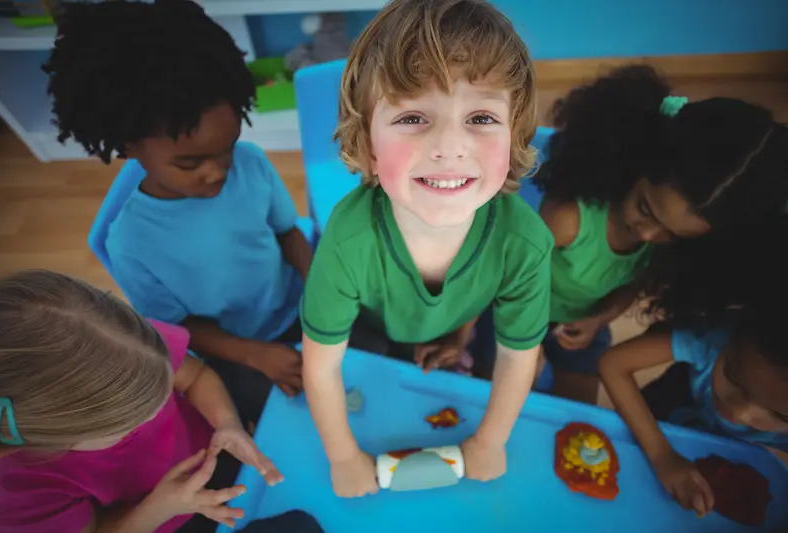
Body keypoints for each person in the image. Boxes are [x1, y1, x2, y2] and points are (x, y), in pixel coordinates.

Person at [300, 0, 552, 498]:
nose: (449, 146)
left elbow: (519, 357)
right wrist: (344, 457)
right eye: (414, 117)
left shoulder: (525, 242)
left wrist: (490, 442)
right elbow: (321, 364)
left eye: (480, 116)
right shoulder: (348, 239)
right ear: (368, 142)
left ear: (514, 132)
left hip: (462, 324)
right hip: (373, 331)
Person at [42, 0, 311, 421]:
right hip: (233, 348)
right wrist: (254, 354)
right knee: (270, 419)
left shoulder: (252, 163)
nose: (216, 173)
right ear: (129, 144)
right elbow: (177, 329)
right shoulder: (132, 242)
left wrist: (321, 288)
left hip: (298, 308)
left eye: (226, 149)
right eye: (190, 163)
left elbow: (289, 233)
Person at [0, 270, 324, 533]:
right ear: (58, 439)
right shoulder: (18, 490)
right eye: (133, 424)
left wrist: (227, 424)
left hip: (212, 446)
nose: (159, 413)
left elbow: (195, 377)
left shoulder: (123, 345)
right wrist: (163, 506)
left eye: (164, 395)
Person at [531, 64, 788, 404]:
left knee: (577, 411)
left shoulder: (664, 250)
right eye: (646, 208)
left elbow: (631, 283)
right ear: (635, 164)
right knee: (495, 386)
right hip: (518, 308)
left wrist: (600, 319)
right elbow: (512, 275)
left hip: (582, 322)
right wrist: (526, 341)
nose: (648, 234)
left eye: (672, 234)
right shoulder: (568, 219)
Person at [598, 227, 788, 518]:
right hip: (657, 418)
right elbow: (613, 364)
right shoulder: (714, 337)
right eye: (733, 377)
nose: (740, 413)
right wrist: (661, 454)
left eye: (780, 415)